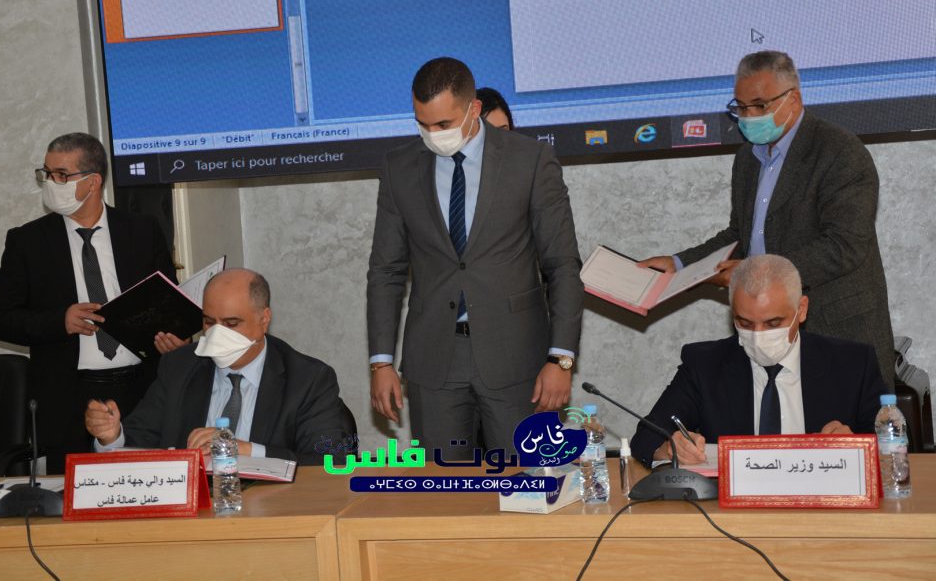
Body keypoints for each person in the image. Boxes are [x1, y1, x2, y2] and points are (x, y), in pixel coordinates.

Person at [367, 57, 583, 460]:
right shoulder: (399, 167)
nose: (433, 135)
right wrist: (381, 363)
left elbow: (563, 266)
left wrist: (561, 359)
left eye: (443, 124)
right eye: (423, 124)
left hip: (517, 359)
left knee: (527, 483)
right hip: (434, 361)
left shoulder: (530, 160)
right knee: (444, 490)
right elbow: (386, 271)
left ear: (474, 110)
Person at [639, 50, 895, 390]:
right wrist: (678, 264)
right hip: (766, 336)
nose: (749, 117)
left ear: (794, 99)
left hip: (835, 330)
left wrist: (754, 273)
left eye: (759, 106)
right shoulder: (747, 158)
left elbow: (843, 246)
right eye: (741, 108)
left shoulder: (840, 152)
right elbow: (738, 235)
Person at [0, 133, 177, 474]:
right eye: (46, 173)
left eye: (62, 175)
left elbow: (169, 302)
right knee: (74, 494)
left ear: (93, 181)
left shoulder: (142, 230)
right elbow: (1, 320)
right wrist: (59, 321)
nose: (50, 183)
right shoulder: (27, 241)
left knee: (148, 485)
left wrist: (174, 337)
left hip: (142, 389)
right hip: (68, 395)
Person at [631, 255, 887, 466]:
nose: (758, 335)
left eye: (773, 323)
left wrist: (856, 444)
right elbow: (646, 437)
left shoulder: (852, 363)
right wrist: (669, 448)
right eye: (745, 323)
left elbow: (892, 442)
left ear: (801, 310)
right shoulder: (705, 364)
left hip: (824, 503)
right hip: (733, 508)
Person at [86, 269, 356, 465]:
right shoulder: (180, 366)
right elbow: (139, 440)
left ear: (264, 320)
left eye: (231, 323)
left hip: (273, 510)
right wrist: (112, 437)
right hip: (193, 511)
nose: (216, 334)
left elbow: (330, 460)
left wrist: (247, 451)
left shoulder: (308, 378)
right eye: (208, 322)